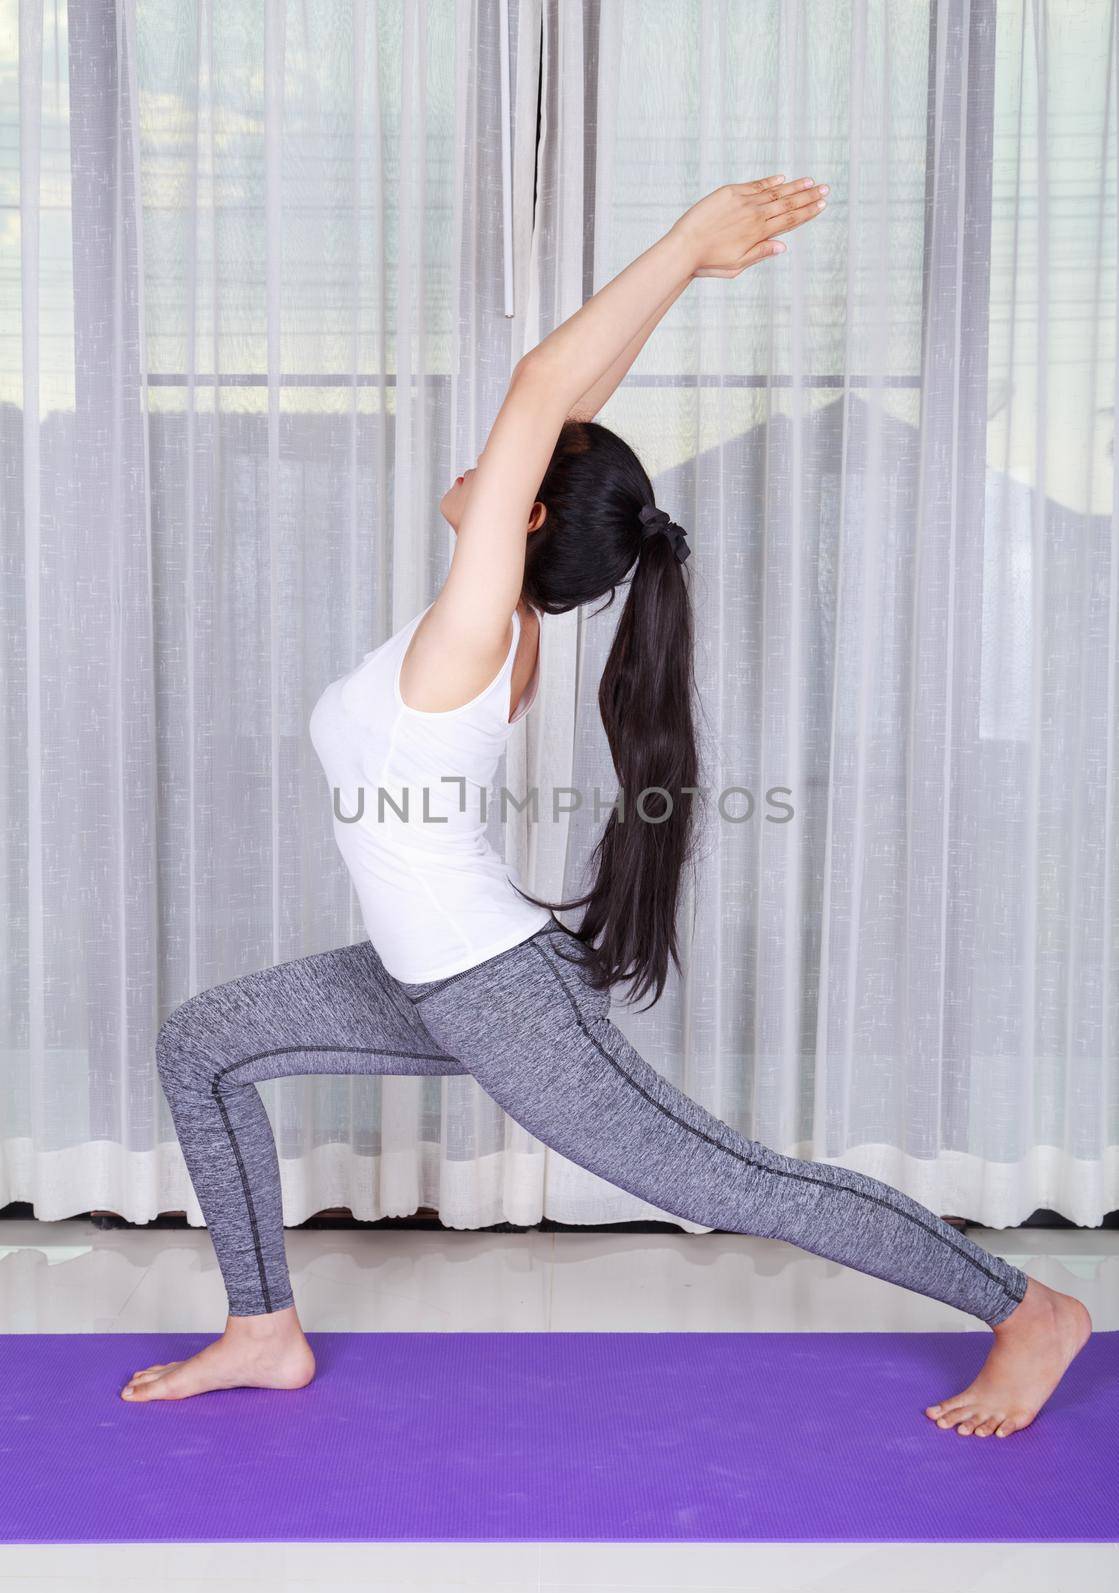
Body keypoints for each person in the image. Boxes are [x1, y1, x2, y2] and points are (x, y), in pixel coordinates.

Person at [123, 178, 1091, 1437]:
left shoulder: (483, 624)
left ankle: (1028, 1309)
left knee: (735, 1180)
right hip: (430, 977)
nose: (478, 454)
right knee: (204, 1042)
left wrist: (687, 241)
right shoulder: (486, 614)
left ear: (523, 517)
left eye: (505, 462)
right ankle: (263, 1330)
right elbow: (561, 410)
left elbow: (542, 396)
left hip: (498, 992)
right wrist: (678, 283)